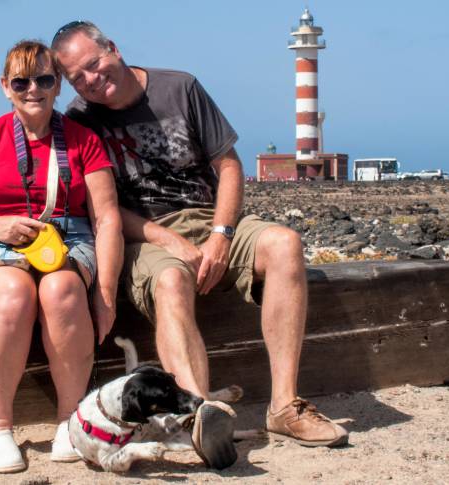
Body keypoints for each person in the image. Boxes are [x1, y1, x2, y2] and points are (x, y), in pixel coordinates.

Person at [50, 20, 349, 466]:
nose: (91, 80)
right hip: (145, 234)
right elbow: (104, 209)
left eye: (94, 64)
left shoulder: (180, 87)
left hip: (212, 218)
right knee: (171, 280)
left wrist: (221, 235)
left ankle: (285, 406)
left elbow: (228, 166)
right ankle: (197, 418)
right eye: (77, 77)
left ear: (112, 48)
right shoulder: (79, 120)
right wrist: (168, 239)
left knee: (285, 243)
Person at [0, 39, 122, 473]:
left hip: (68, 238)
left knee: (62, 290)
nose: (33, 90)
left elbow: (106, 220)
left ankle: (71, 419)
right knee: (13, 293)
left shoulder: (84, 141)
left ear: (58, 84)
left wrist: (105, 294)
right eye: (21, 82)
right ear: (5, 86)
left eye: (44, 80)